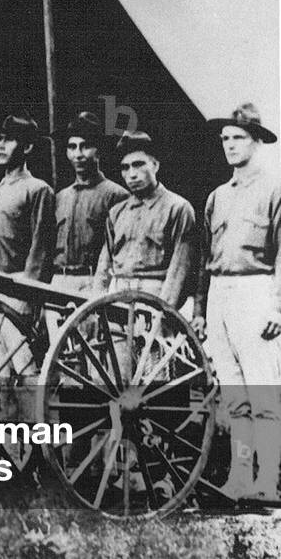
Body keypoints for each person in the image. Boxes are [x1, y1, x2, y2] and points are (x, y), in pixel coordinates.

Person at [193, 104, 281, 502]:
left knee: (263, 394)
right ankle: (241, 478)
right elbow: (204, 259)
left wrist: (277, 308)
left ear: (257, 141)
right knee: (235, 397)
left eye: (239, 137)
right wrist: (199, 309)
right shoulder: (217, 197)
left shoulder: (274, 190)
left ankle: (268, 482)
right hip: (220, 295)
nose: (230, 145)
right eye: (225, 138)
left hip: (255, 291)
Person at [0, 114, 55, 377]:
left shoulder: (37, 189)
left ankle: (34, 403)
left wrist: (29, 293)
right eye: (0, 139)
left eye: (9, 140)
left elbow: (41, 247)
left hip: (15, 287)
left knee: (23, 361)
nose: (1, 145)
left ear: (27, 147)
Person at [93, 131, 196, 309]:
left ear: (155, 165)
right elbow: (104, 265)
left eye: (138, 165)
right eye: (125, 168)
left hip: (154, 296)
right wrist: (95, 305)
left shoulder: (177, 208)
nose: (132, 174)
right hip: (118, 295)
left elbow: (179, 269)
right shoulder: (117, 212)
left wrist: (164, 311)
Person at [51, 112, 128, 294]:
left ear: (98, 150)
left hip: (94, 283)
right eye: (72, 147)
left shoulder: (115, 195)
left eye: (85, 146)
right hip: (59, 282)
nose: (78, 154)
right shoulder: (60, 197)